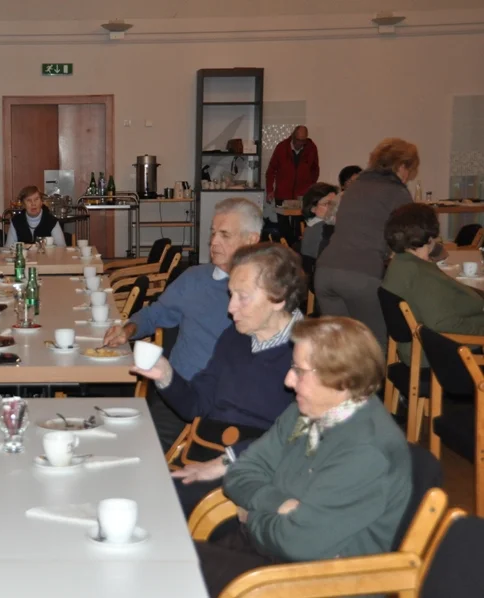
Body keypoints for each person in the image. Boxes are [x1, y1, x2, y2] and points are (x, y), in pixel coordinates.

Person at [196, 317, 411, 597]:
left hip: (313, 582)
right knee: (161, 561)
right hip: (267, 557)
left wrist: (252, 514)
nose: (288, 380)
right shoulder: (306, 411)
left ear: (341, 381)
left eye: (299, 370)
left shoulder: (366, 452)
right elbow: (242, 471)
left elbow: (298, 542)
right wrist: (279, 503)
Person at [132, 243, 305, 514]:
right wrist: (166, 376)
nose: (231, 308)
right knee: (130, 483)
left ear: (279, 297)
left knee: (146, 504)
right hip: (202, 455)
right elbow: (195, 405)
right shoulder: (233, 338)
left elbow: (298, 439)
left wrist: (224, 463)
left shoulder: (308, 354)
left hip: (253, 479)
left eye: (242, 297)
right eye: (231, 294)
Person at [103, 197, 262, 448]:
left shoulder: (267, 293)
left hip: (231, 407)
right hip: (178, 395)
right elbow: (155, 314)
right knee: (135, 448)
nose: (214, 242)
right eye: (212, 233)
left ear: (251, 240)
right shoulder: (194, 279)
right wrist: (127, 330)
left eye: (225, 235)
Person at [315, 138, 419, 349]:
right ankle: (373, 383)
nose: (408, 176)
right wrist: (436, 251)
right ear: (401, 166)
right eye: (409, 169)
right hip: (361, 275)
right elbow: (413, 234)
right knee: (372, 345)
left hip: (325, 271)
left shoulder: (354, 187)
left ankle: (336, 383)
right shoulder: (397, 192)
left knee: (339, 346)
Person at [382, 203, 484, 365]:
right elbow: (443, 324)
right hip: (435, 356)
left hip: (418, 348)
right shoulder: (418, 272)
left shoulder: (401, 262)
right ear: (430, 236)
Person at [265, 126, 320, 245]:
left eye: (303, 141)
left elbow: (315, 169)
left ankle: (298, 250)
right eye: (298, 140)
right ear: (293, 137)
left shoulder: (311, 148)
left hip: (302, 195)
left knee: (300, 226)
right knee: (283, 226)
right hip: (282, 193)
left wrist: (310, 187)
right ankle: (287, 249)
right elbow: (271, 170)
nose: (300, 144)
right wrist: (270, 190)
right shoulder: (281, 148)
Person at [299, 182, 339, 260]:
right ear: (313, 208)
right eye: (327, 203)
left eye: (335, 203)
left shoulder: (312, 225)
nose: (334, 207)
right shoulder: (324, 228)